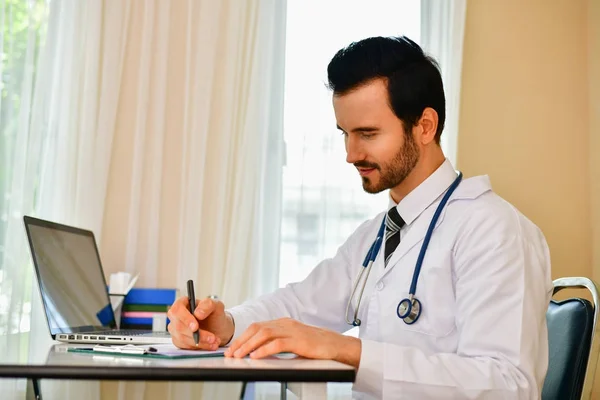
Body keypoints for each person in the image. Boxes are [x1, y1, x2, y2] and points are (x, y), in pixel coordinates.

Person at [167, 36, 553, 399]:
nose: (351, 154)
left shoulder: (494, 230)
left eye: (367, 134)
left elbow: (508, 386)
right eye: (345, 134)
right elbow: (300, 304)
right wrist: (228, 325)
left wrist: (348, 349)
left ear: (425, 126)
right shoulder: (377, 236)